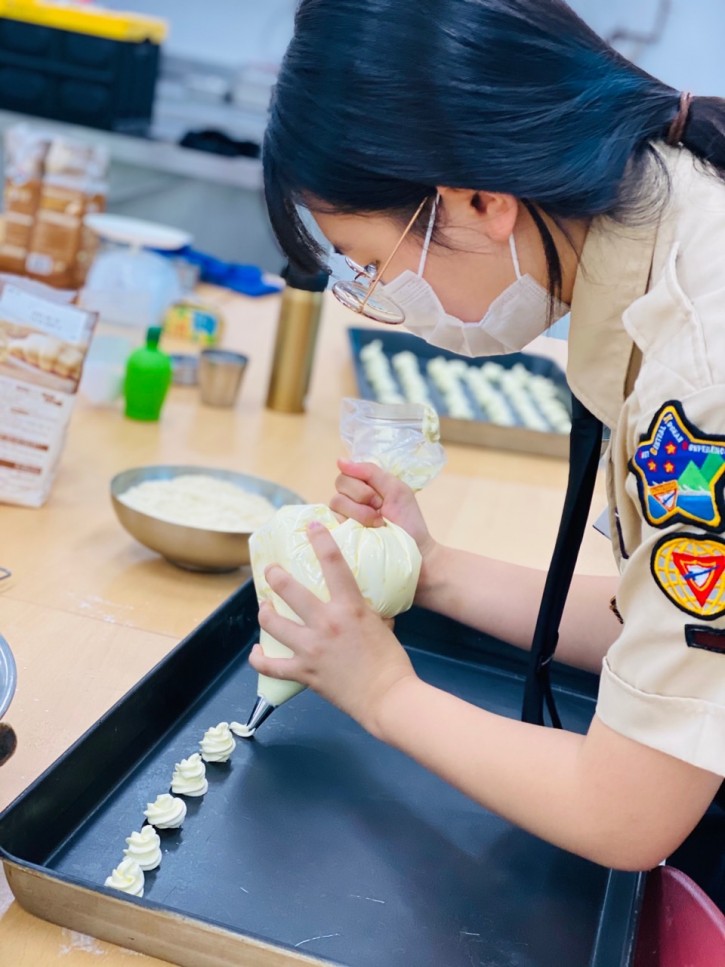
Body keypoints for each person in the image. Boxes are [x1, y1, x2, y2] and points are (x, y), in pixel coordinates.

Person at [250, 0, 725, 890]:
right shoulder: (672, 223)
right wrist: (428, 569)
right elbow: (672, 629)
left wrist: (382, 691)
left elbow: (625, 812)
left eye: (370, 262)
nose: (378, 295)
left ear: (478, 200)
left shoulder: (702, 376)